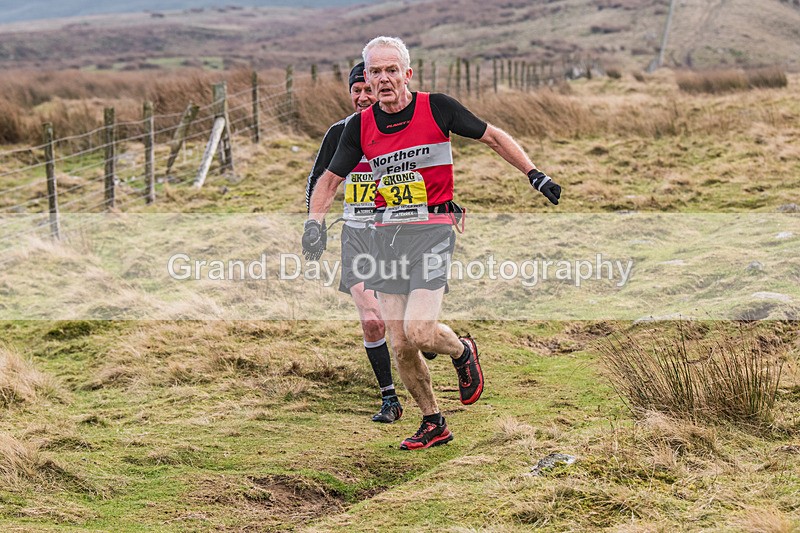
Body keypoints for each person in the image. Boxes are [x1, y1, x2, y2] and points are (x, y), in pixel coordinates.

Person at [303, 37, 561, 450]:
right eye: (375, 72)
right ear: (365, 77)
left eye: (391, 70)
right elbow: (329, 180)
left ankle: (461, 351)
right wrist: (314, 224)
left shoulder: (436, 107)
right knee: (401, 343)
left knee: (420, 332)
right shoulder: (358, 127)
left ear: (407, 73)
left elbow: (493, 137)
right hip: (385, 239)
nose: (383, 80)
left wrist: (535, 174)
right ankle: (433, 422)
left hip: (432, 232)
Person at [303, 62, 406, 423]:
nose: (363, 97)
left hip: (400, 233)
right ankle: (389, 398)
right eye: (356, 90)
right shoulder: (340, 132)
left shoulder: (402, 127)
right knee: (372, 319)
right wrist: (314, 226)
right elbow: (318, 181)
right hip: (357, 235)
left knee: (405, 323)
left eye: (369, 89)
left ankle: (435, 345)